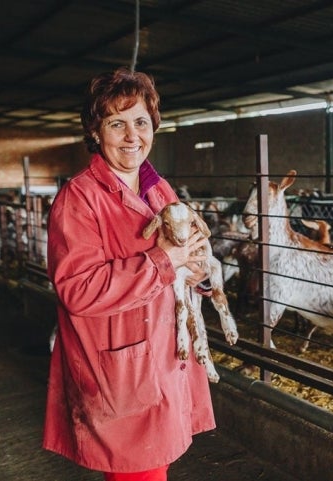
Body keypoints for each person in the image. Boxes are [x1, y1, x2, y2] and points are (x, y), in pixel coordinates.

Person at [43, 66, 216, 481]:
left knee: (156, 468)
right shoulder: (79, 199)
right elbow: (79, 290)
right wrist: (164, 261)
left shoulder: (160, 188)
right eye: (116, 123)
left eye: (140, 122)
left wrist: (197, 272)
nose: (131, 135)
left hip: (166, 359)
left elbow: (184, 259)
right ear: (96, 132)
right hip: (122, 370)